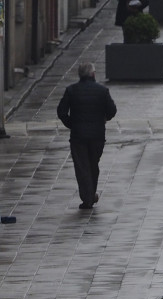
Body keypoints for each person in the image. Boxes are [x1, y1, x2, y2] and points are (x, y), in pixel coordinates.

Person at [56, 63, 117, 209]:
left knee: (82, 167)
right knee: (93, 165)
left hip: (78, 137)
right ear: (93, 74)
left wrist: (72, 124)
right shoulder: (102, 91)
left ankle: (88, 197)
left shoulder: (71, 90)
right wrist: (103, 119)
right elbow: (112, 110)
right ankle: (90, 195)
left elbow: (62, 112)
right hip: (97, 136)